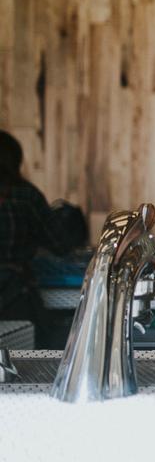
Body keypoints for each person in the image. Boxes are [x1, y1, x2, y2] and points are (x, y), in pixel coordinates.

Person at [0, 130, 86, 347]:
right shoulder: (25, 195)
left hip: (13, 289)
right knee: (23, 361)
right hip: (13, 294)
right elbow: (60, 244)